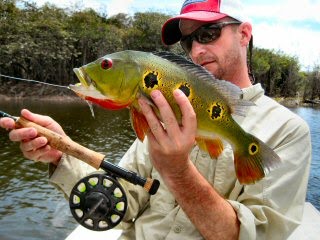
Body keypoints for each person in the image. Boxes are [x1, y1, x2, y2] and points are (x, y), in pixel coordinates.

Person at [0, 0, 312, 239]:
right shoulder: (158, 108)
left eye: (209, 33)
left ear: (243, 33)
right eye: (189, 42)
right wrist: (62, 154)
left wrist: (177, 170)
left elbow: (255, 234)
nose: (198, 49)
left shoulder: (288, 130)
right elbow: (125, 200)